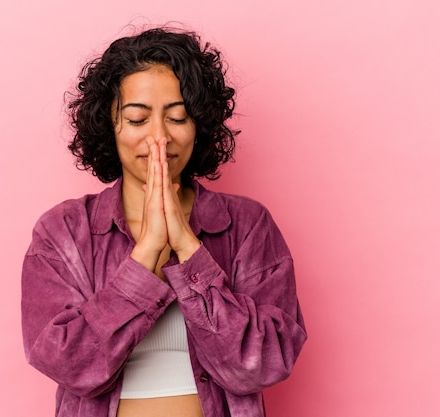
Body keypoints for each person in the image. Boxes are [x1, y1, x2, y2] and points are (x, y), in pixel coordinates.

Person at [21, 26, 307, 417]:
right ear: (108, 125)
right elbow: (65, 363)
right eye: (138, 120)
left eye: (177, 117)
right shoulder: (63, 231)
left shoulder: (247, 224)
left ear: (199, 125)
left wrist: (190, 252)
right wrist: (148, 255)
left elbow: (267, 359)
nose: (159, 137)